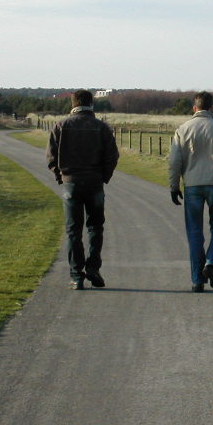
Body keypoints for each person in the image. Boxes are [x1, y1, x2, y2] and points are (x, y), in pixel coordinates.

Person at [168, 91, 213, 293]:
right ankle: (212, 264)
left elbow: (174, 161)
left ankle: (197, 280)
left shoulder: (182, 129)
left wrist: (174, 185)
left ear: (194, 108)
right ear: (212, 108)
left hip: (192, 185)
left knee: (194, 231)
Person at [46, 90, 119, 290]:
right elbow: (112, 156)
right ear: (91, 104)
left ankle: (76, 276)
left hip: (71, 183)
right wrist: (104, 176)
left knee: (73, 231)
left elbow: (51, 157)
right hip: (95, 182)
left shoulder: (61, 126)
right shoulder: (102, 127)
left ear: (73, 103)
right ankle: (93, 267)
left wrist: (60, 176)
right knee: (95, 227)